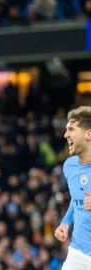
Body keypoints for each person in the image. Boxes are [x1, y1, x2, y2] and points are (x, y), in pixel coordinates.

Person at [55, 106, 91, 269]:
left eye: (71, 129)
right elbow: (77, 198)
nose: (65, 135)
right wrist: (66, 222)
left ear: (88, 134)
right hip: (79, 253)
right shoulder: (69, 166)